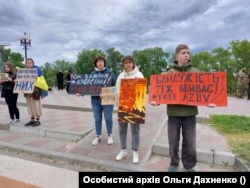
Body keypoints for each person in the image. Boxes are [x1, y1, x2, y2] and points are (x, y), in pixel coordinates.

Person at [151, 44, 215, 172]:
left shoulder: (195, 73)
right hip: (174, 114)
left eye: (188, 53)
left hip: (190, 114)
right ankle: (174, 164)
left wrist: (209, 101)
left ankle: (189, 165)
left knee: (190, 142)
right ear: (177, 55)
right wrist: (156, 101)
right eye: (183, 53)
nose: (186, 55)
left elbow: (204, 91)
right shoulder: (169, 73)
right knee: (173, 142)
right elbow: (160, 91)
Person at [77, 56, 116, 146]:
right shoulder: (92, 73)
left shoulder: (110, 73)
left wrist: (106, 93)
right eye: (98, 61)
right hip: (95, 100)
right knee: (97, 118)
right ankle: (98, 136)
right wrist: (80, 92)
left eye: (101, 61)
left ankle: (109, 135)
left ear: (104, 63)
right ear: (96, 63)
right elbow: (87, 86)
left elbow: (115, 86)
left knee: (108, 118)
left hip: (107, 100)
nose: (100, 63)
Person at [115, 55, 144, 164]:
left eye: (130, 62)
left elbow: (142, 91)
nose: (128, 64)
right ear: (123, 64)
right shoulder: (120, 76)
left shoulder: (139, 75)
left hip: (135, 107)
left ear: (133, 64)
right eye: (126, 62)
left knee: (135, 130)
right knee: (122, 130)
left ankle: (135, 151)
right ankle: (123, 150)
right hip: (123, 106)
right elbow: (117, 90)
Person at [24, 58, 43, 127]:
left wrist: (35, 75)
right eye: (27, 62)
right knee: (30, 105)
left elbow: (39, 75)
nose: (28, 64)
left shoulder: (37, 69)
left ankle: (37, 120)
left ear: (33, 63)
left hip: (35, 91)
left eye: (30, 62)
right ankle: (32, 119)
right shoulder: (24, 71)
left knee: (36, 105)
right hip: (27, 91)